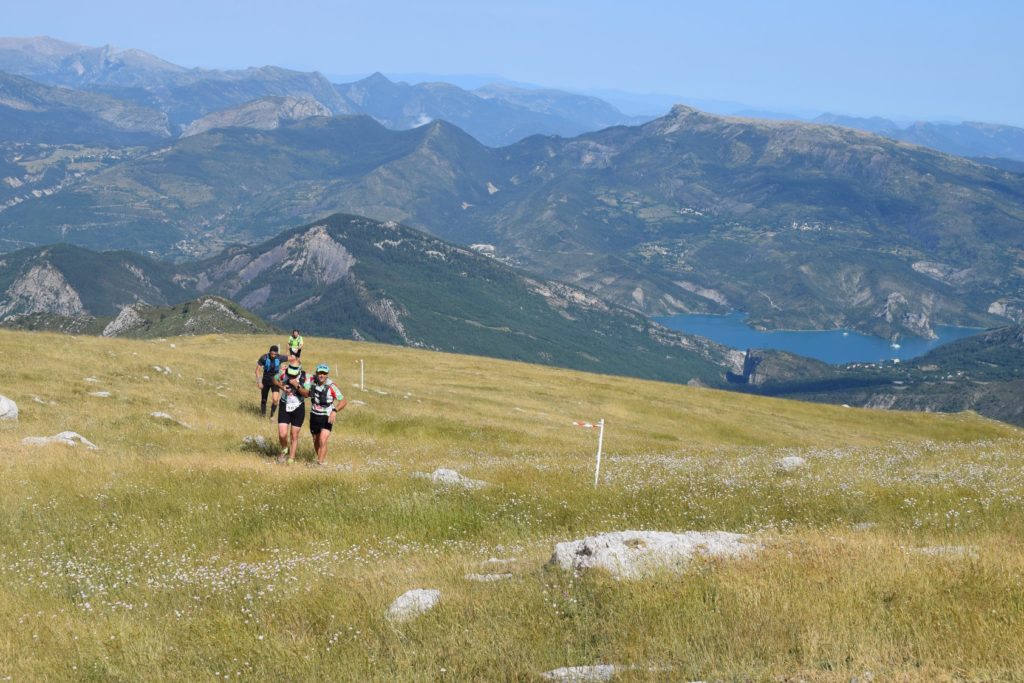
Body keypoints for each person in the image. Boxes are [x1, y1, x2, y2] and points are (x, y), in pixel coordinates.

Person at [273, 355, 310, 464]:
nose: (291, 376)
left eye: (293, 375)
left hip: (298, 407)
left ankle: (291, 458)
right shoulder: (284, 372)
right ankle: (284, 448)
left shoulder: (306, 377)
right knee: (282, 434)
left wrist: (296, 385)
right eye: (290, 374)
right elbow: (274, 379)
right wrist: (281, 387)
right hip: (284, 405)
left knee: (294, 435)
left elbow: (307, 394)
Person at [308, 363, 347, 465]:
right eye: (320, 373)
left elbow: (343, 401)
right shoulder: (312, 381)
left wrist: (334, 411)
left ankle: (319, 463)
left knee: (322, 440)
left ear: (327, 375)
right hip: (314, 415)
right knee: (315, 439)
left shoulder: (331, 387)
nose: (321, 375)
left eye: (324, 373)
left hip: (327, 416)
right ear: (316, 373)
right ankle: (320, 458)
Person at [255, 345, 282, 417]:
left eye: (274, 354)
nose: (273, 356)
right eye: (271, 354)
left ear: (277, 353)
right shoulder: (264, 358)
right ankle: (263, 415)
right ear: (269, 352)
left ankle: (272, 416)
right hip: (265, 380)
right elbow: (257, 370)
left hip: (275, 381)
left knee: (275, 400)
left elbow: (292, 358)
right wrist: (259, 382)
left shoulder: (280, 358)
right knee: (264, 399)